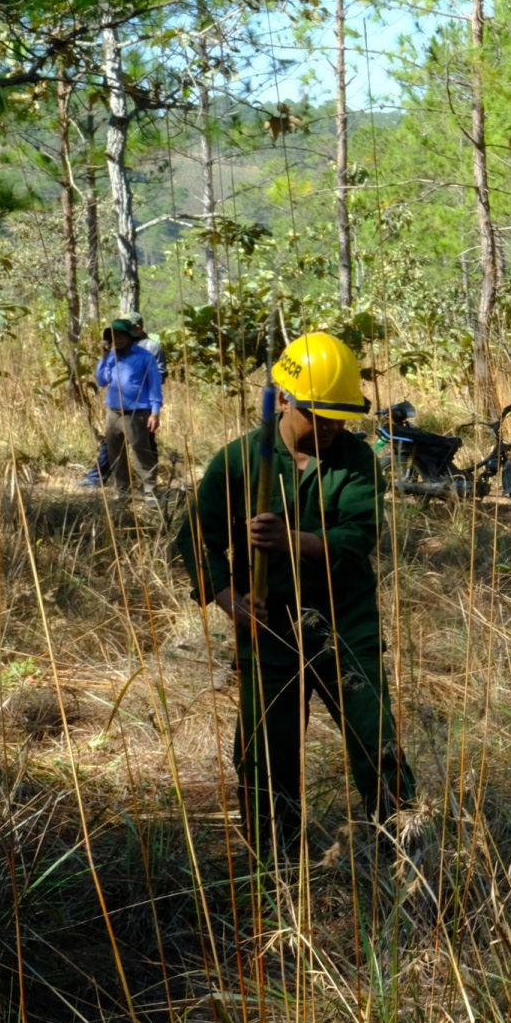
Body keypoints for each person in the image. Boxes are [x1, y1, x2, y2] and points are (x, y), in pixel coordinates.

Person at [174, 332, 414, 856]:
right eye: (318, 413)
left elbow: (357, 539)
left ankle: (404, 853)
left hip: (345, 626)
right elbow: (196, 541)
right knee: (265, 753)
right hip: (268, 631)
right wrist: (227, 597)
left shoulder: (356, 461)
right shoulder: (239, 461)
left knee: (377, 743)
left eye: (340, 415)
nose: (330, 425)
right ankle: (277, 863)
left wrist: (290, 540)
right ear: (284, 400)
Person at [81, 315, 163, 488]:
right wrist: (103, 358)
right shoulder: (111, 356)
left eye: (121, 336)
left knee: (142, 454)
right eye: (113, 337)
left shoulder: (145, 357)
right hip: (113, 412)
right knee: (115, 454)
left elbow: (155, 386)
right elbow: (102, 381)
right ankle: (123, 490)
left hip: (137, 413)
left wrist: (155, 412)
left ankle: (150, 491)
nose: (116, 340)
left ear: (130, 337)